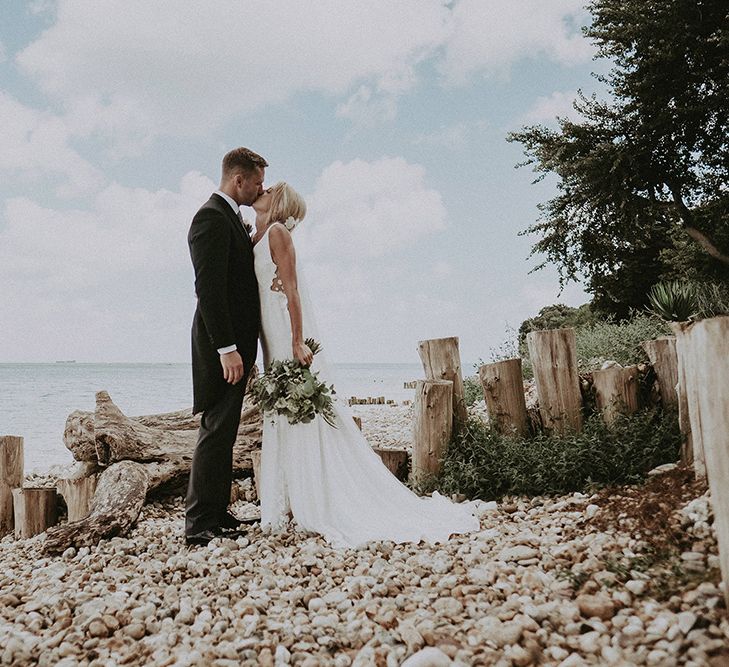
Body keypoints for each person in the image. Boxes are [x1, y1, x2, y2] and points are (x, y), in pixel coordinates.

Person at [251, 181, 480, 548]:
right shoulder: (258, 235)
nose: (265, 189)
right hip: (270, 337)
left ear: (279, 203)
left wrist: (296, 341)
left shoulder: (277, 233)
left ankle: (321, 499)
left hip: (284, 332)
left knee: (306, 415)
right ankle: (287, 500)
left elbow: (291, 291)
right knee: (284, 414)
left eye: (272, 188)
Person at [185, 147, 267, 546]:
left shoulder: (230, 219)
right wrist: (227, 348)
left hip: (235, 345)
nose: (259, 189)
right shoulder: (210, 218)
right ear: (239, 180)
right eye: (256, 182)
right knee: (215, 430)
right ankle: (199, 524)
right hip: (222, 347)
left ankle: (217, 513)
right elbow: (210, 291)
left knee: (226, 431)